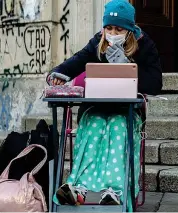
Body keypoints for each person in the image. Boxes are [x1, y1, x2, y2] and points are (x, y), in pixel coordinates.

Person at [45, 0, 162, 208]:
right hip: (96, 108)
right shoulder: (98, 42)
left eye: (119, 29)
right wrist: (59, 72)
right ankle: (77, 188)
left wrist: (128, 67)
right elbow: (78, 60)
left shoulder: (145, 45)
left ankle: (115, 190)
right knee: (93, 128)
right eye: (109, 27)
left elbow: (155, 83)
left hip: (126, 111)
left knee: (117, 128)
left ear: (130, 30)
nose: (112, 32)